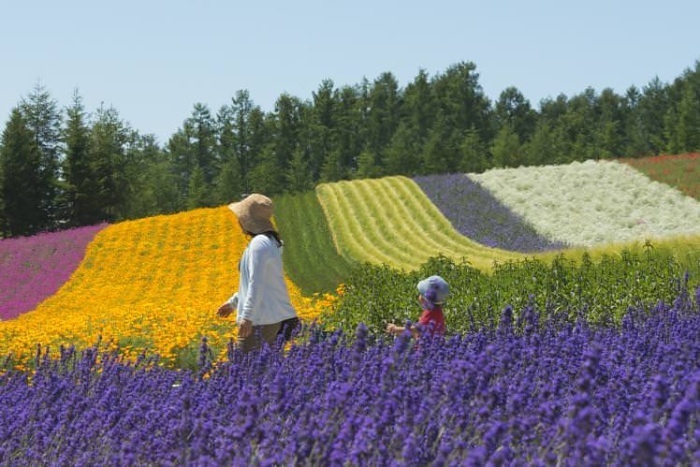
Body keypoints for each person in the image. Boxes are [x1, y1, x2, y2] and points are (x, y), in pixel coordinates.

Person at [217, 193, 299, 352]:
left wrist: (247, 317)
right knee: (263, 369)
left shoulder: (259, 244)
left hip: (260, 320)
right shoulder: (268, 242)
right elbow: (260, 282)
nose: (237, 220)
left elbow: (257, 282)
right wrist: (234, 302)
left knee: (245, 369)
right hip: (267, 318)